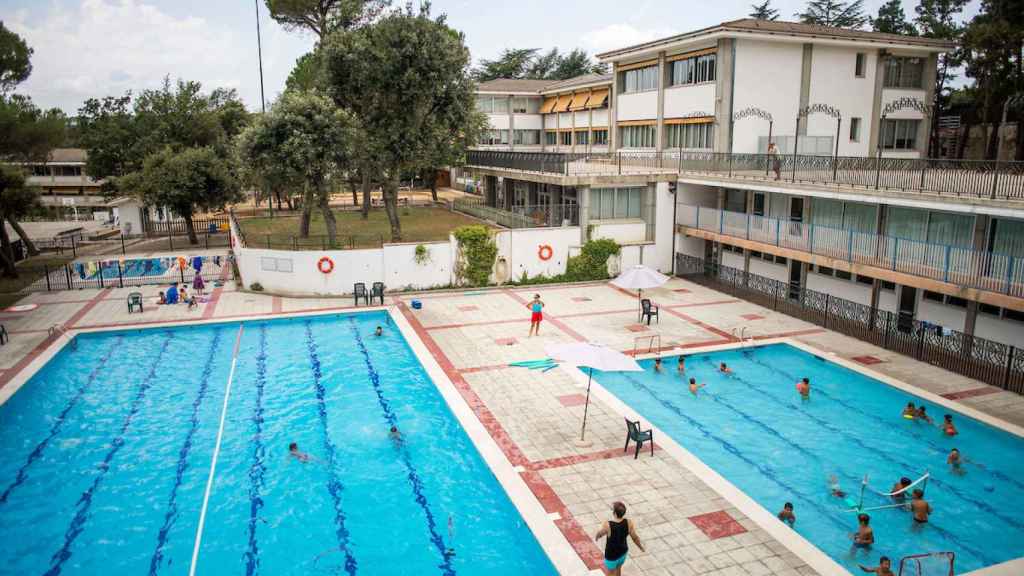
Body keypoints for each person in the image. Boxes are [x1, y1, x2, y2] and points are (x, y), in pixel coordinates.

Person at [594, 501, 645, 576]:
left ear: (614, 513)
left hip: (611, 556)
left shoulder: (608, 525)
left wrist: (597, 536)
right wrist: (641, 547)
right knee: (618, 570)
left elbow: (600, 533)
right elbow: (635, 538)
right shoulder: (629, 522)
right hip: (622, 552)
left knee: (610, 573)